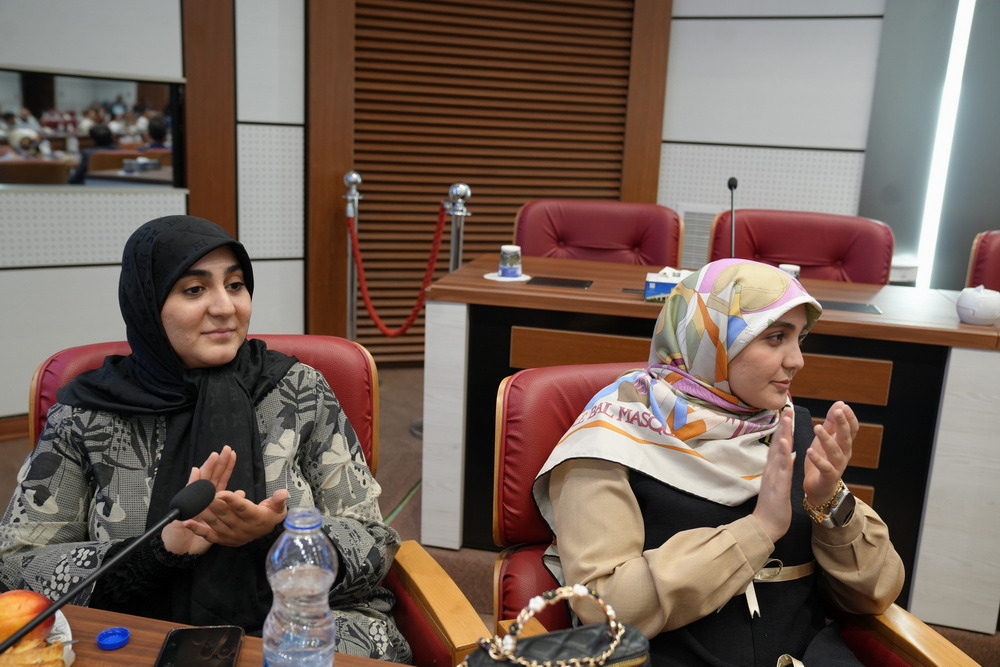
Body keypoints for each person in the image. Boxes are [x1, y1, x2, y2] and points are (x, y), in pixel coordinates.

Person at [0, 215, 411, 662]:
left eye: (235, 285)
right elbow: (17, 566)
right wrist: (159, 550)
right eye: (194, 290)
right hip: (135, 629)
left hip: (302, 625)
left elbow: (374, 542)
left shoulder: (297, 391)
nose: (225, 307)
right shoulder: (87, 412)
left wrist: (276, 537)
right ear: (146, 304)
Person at [534, 258, 904, 666]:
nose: (797, 360)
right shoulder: (610, 439)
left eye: (800, 339)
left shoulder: (785, 425)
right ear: (713, 341)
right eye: (776, 337)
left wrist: (830, 502)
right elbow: (605, 606)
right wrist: (758, 531)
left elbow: (876, 593)